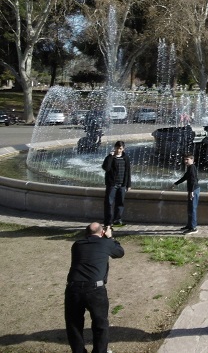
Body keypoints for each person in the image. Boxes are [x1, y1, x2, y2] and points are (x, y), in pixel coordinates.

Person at [64, 222, 125, 353]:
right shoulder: (106, 243)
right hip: (95, 289)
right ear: (102, 232)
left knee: (74, 324)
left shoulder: (77, 245)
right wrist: (110, 237)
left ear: (86, 233)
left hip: (73, 288)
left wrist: (104, 237)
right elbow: (119, 252)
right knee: (100, 324)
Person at [102, 141, 131, 228]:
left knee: (120, 203)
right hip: (112, 184)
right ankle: (108, 222)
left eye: (120, 148)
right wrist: (110, 156)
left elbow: (128, 171)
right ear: (114, 148)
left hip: (122, 184)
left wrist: (128, 184)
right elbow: (106, 168)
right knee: (109, 203)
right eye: (117, 148)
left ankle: (117, 220)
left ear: (123, 149)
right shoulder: (110, 157)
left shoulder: (125, 157)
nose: (118, 150)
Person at [172, 153, 200, 234]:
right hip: (193, 190)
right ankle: (189, 225)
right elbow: (185, 177)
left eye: (187, 159)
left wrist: (191, 191)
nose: (185, 161)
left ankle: (193, 228)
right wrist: (175, 183)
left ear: (192, 160)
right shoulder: (190, 168)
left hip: (194, 190)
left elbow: (193, 180)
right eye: (185, 159)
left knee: (192, 209)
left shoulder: (192, 167)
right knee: (190, 208)